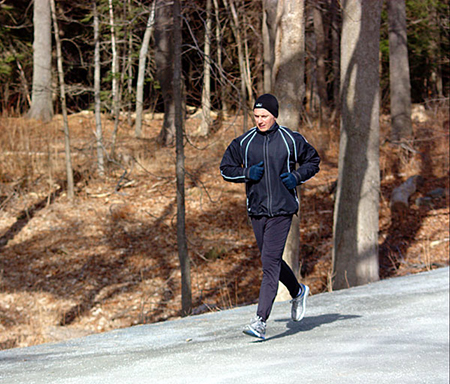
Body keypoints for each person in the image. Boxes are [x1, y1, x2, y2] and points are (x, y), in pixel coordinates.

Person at [219, 94, 320, 340]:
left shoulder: (290, 140)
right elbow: (225, 168)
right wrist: (246, 173)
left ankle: (260, 321)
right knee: (270, 260)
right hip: (257, 210)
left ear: (274, 115)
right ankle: (298, 291)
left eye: (264, 116)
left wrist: (296, 177)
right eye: (256, 116)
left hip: (283, 210)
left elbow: (313, 161)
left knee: (269, 265)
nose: (260, 120)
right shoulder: (245, 142)